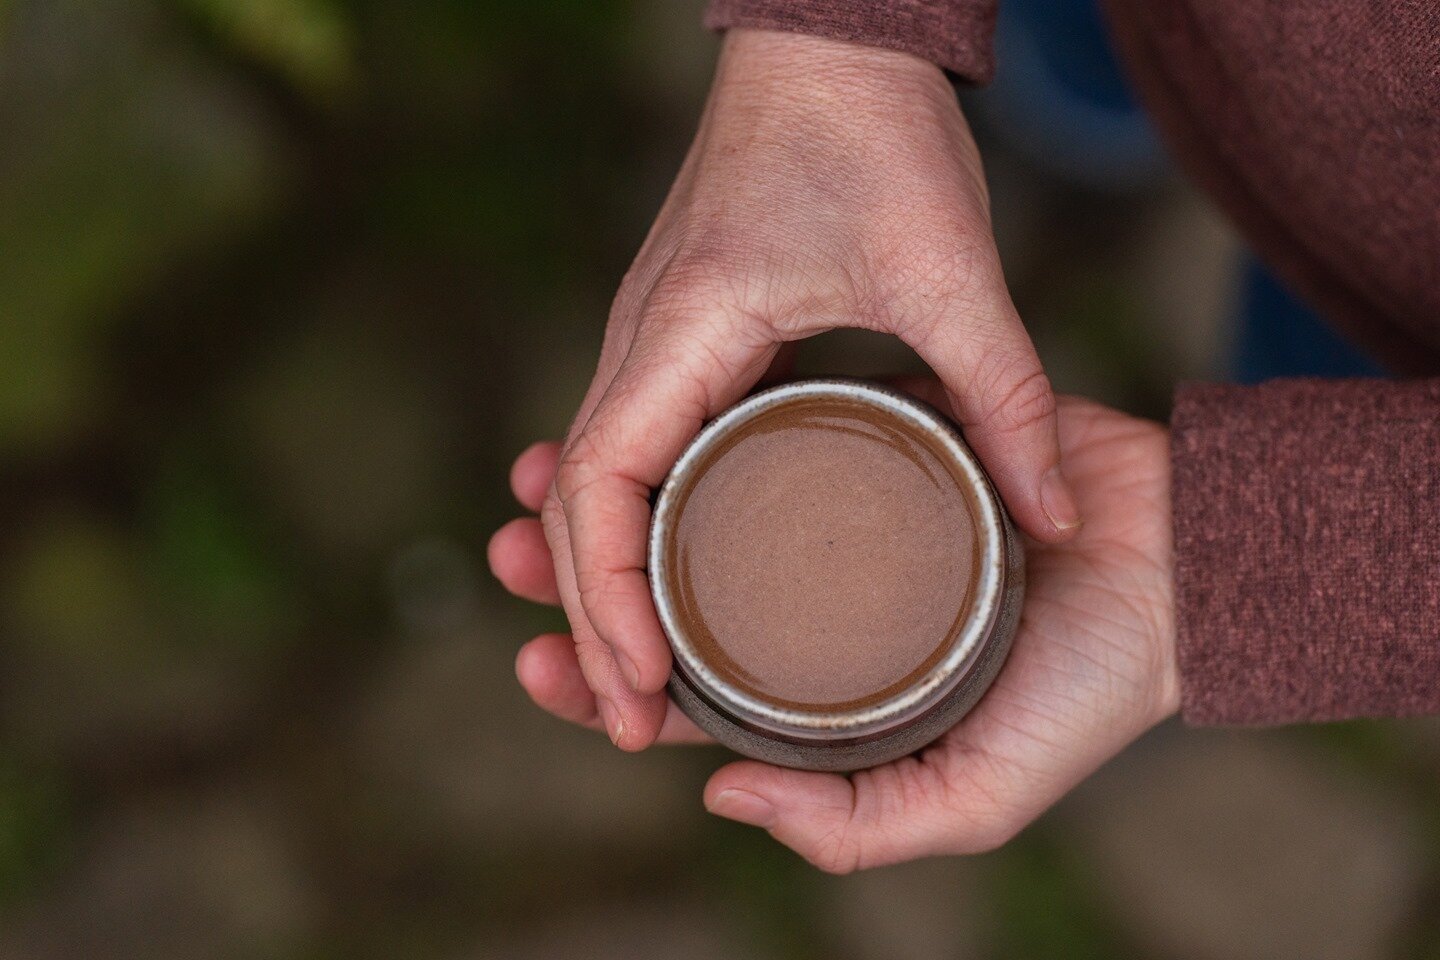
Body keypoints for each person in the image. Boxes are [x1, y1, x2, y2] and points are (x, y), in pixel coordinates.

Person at [487, 1, 1440, 873]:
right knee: (1085, 49)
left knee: (1314, 340)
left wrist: (1260, 548)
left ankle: (1072, 121)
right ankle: (1059, 114)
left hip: (1397, 284)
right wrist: (845, 39)